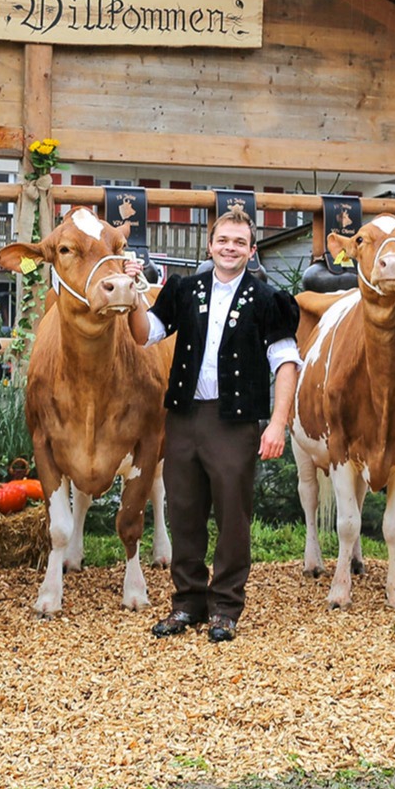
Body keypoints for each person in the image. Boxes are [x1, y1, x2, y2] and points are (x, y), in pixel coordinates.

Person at [140, 205, 299, 643]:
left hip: (235, 422)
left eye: (239, 242)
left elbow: (286, 362)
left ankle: (226, 606)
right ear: (210, 246)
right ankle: (187, 602)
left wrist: (278, 423)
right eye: (223, 241)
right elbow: (143, 334)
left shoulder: (268, 300)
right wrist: (135, 292)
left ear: (251, 250)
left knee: (232, 515)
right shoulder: (183, 290)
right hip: (184, 417)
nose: (230, 248)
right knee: (184, 511)